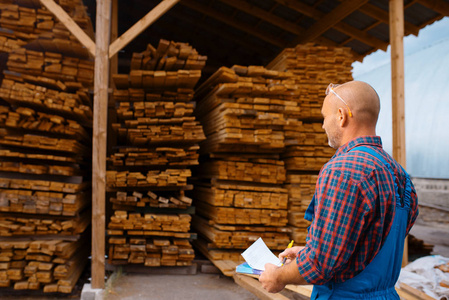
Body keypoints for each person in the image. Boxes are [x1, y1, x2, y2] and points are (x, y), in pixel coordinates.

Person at [259, 81, 419, 299]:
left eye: (325, 117)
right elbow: (371, 242)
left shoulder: (342, 170)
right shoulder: (399, 174)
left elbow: (320, 264)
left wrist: (277, 277)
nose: (323, 126)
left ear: (342, 116)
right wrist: (308, 252)